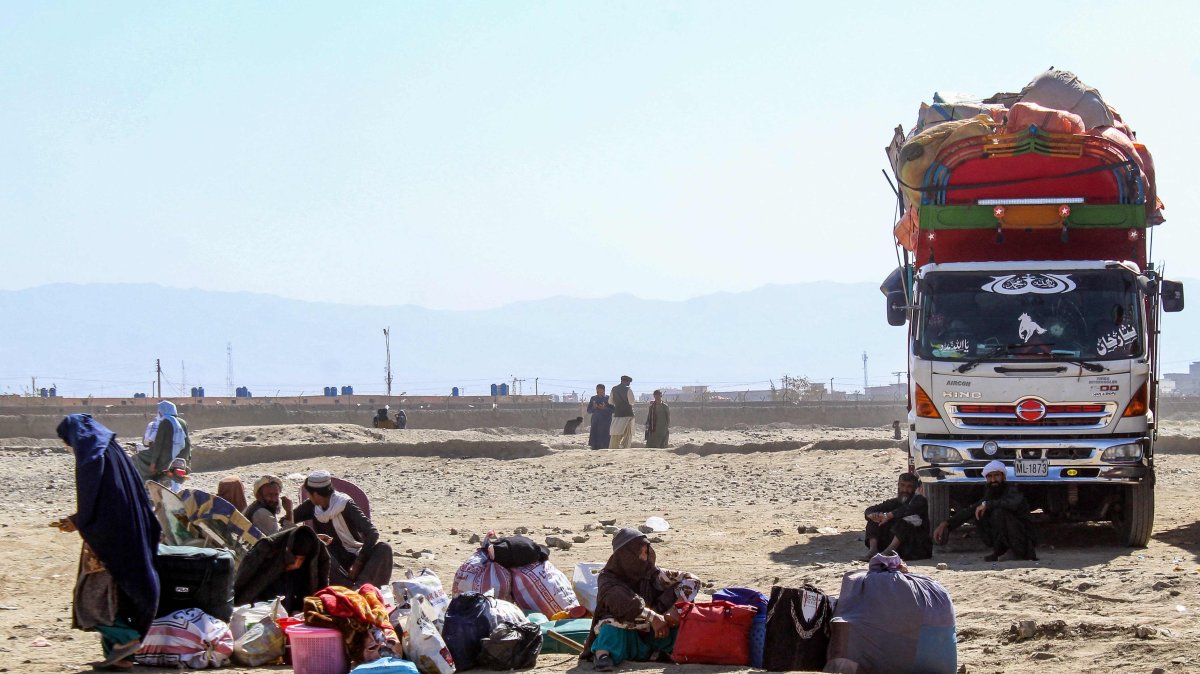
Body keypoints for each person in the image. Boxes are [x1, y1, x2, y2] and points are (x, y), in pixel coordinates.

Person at [56, 414, 162, 671]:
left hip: (107, 544)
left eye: (67, 442)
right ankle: (119, 656)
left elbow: (96, 502)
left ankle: (126, 640)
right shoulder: (114, 453)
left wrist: (78, 521)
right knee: (114, 599)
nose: (69, 448)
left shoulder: (92, 460)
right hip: (129, 539)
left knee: (89, 603)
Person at [581, 528, 700, 670]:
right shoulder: (607, 578)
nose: (644, 557)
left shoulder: (652, 572)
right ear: (626, 555)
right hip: (624, 631)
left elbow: (692, 580)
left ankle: (658, 652)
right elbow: (626, 603)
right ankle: (602, 656)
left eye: (646, 552)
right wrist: (653, 617)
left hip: (654, 632)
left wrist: (677, 608)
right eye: (640, 553)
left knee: (683, 618)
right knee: (609, 628)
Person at [292, 470, 394, 587]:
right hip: (334, 564)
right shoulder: (311, 506)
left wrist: (358, 563)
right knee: (316, 552)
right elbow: (288, 522)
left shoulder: (345, 504)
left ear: (315, 494)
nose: (308, 497)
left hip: (356, 555)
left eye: (309, 494)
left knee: (384, 548)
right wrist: (312, 537)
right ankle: (352, 590)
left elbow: (372, 533)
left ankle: (359, 588)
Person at [933, 461, 1038, 561]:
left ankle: (1018, 552)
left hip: (1024, 538)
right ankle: (1000, 551)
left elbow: (1011, 504)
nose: (993, 480)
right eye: (990, 477)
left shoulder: (1013, 489)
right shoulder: (991, 492)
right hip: (1008, 535)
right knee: (980, 514)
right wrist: (947, 524)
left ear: (1003, 476)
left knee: (999, 513)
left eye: (996, 475)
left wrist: (987, 505)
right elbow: (971, 510)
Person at [234, 525, 330, 613]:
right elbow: (242, 579)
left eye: (301, 559)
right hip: (256, 604)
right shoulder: (267, 548)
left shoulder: (318, 556)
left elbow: (319, 589)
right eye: (294, 557)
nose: (296, 564)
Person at [862, 473, 932, 561]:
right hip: (899, 546)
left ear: (915, 488)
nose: (905, 490)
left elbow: (907, 510)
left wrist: (889, 515)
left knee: (907, 521)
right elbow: (870, 510)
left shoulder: (920, 501)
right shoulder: (894, 502)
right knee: (873, 520)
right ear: (898, 485)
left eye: (909, 487)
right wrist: (873, 516)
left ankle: (889, 552)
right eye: (902, 485)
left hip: (915, 546)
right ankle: (873, 551)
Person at [133, 400, 191, 483]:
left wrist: (153, 463)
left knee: (137, 458)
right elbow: (188, 443)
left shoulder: (165, 422)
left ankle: (144, 483)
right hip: (182, 457)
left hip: (166, 457)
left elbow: (158, 445)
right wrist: (188, 460)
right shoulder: (183, 422)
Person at [608, 376, 636, 449]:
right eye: (629, 382)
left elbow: (610, 401)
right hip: (628, 414)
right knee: (628, 434)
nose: (629, 384)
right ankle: (625, 448)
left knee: (615, 434)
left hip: (617, 414)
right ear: (626, 381)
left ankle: (613, 447)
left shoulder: (614, 389)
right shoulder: (628, 390)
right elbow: (632, 402)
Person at [587, 384, 614, 450]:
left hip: (606, 422)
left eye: (601, 392)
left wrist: (604, 408)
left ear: (604, 391)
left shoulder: (608, 398)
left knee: (605, 439)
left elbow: (613, 410)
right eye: (598, 392)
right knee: (595, 438)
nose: (599, 394)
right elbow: (589, 410)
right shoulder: (593, 398)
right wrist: (594, 407)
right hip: (595, 421)